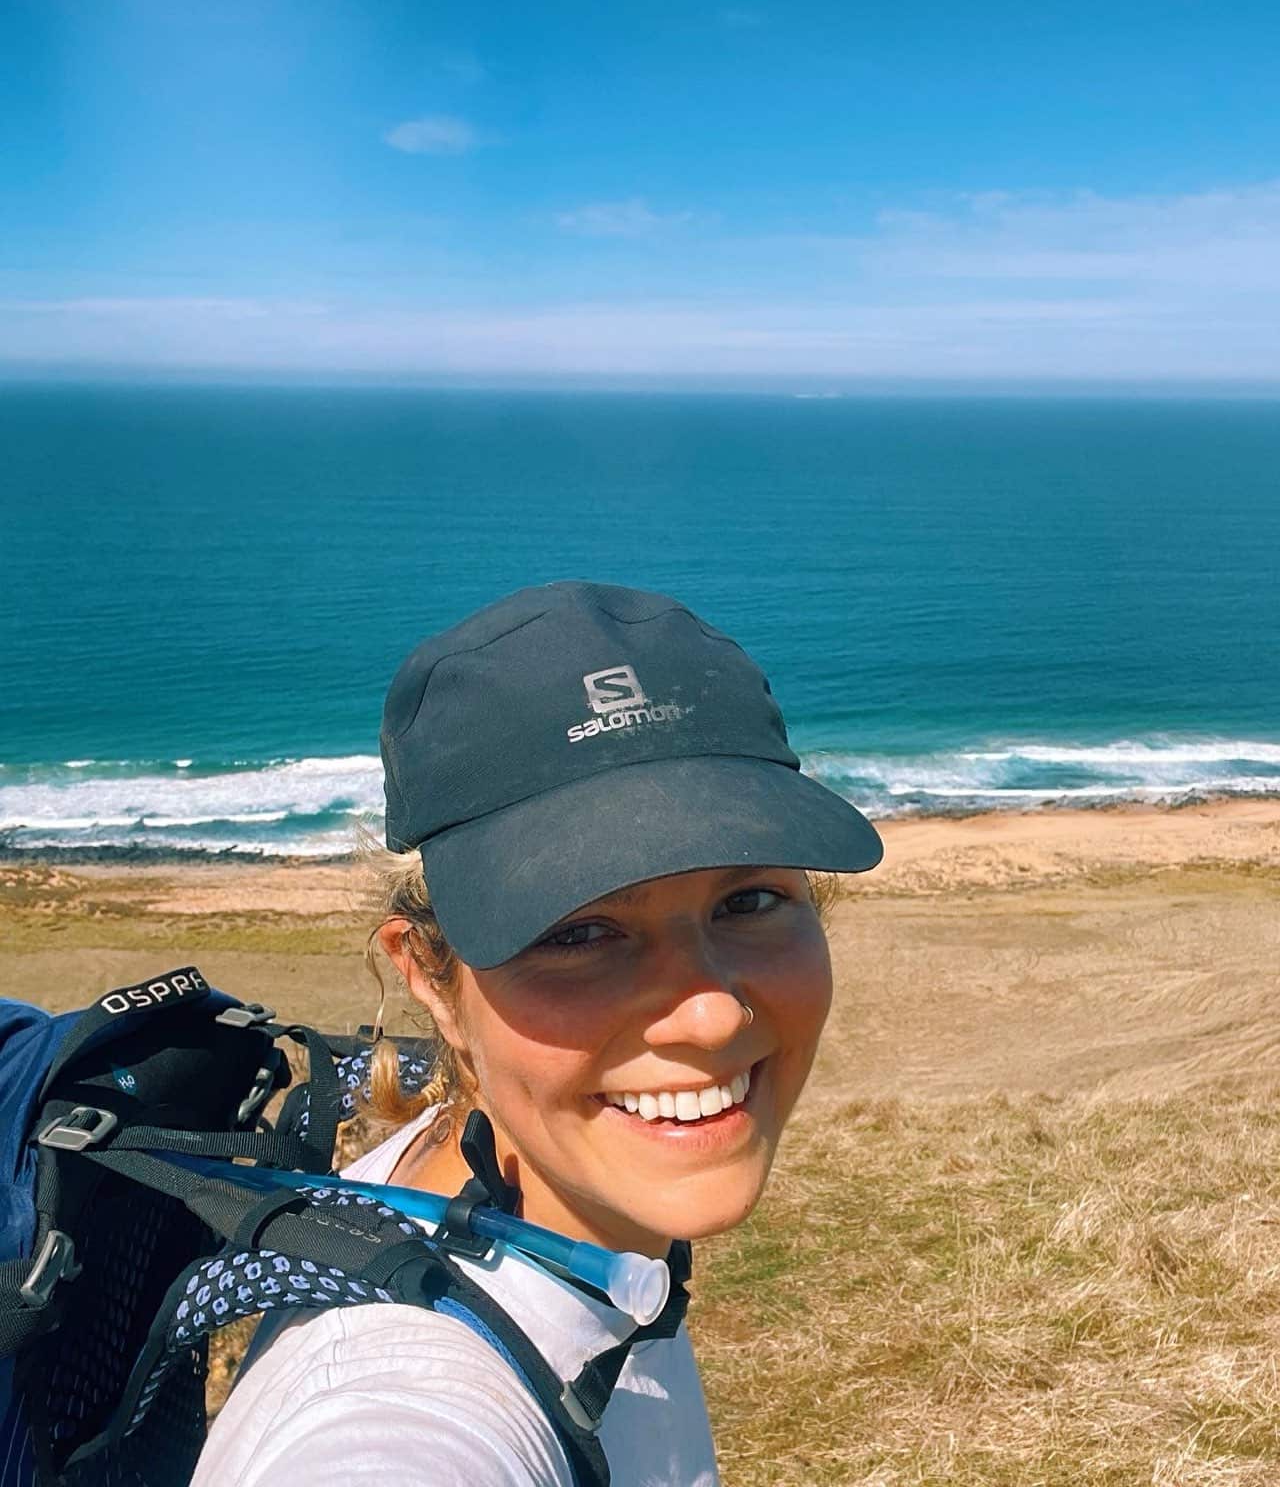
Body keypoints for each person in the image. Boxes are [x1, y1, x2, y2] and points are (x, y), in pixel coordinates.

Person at [193, 580, 883, 1487]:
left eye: (750, 900)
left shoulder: (535, 1216)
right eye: (580, 934)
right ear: (430, 978)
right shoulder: (395, 1414)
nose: (713, 1014)